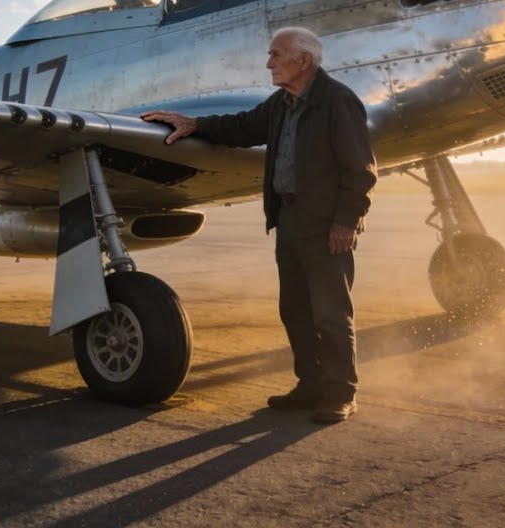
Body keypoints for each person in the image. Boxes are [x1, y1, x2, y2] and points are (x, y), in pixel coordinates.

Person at [141, 27, 377, 423]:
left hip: (326, 226)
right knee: (295, 310)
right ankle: (310, 386)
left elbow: (361, 171)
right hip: (288, 219)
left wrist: (346, 223)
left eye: (276, 55)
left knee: (331, 314)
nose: (269, 62)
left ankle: (340, 393)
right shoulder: (282, 103)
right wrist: (194, 125)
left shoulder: (339, 101)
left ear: (303, 60)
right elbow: (242, 127)